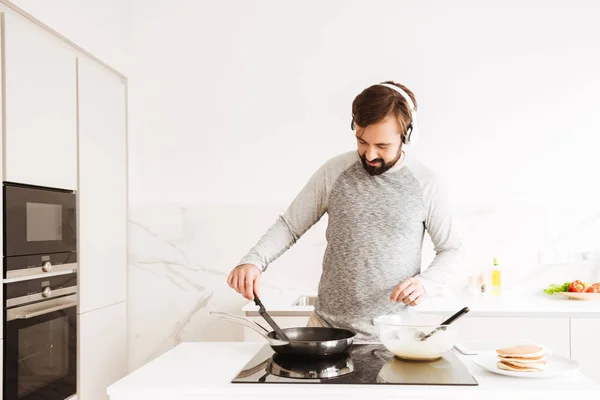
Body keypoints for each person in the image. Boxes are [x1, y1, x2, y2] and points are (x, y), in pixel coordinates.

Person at [227, 80, 463, 341]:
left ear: (407, 135)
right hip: (325, 330)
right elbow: (290, 225)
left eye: (382, 146)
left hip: (393, 335)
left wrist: (424, 284)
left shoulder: (426, 184)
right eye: (361, 141)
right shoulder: (334, 172)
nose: (370, 154)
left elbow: (451, 249)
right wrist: (253, 260)